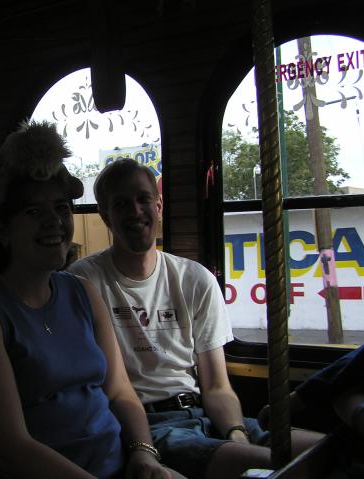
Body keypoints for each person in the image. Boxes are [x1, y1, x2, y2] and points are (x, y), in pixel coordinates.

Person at [0, 120, 182, 479]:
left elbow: (120, 393)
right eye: (34, 212)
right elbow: (6, 448)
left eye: (62, 208)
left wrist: (145, 456)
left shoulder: (82, 291)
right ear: (1, 227)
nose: (55, 222)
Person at [68, 158, 322, 479]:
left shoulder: (194, 279)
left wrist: (235, 432)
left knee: (329, 452)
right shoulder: (85, 281)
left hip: (203, 413)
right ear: (105, 215)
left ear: (159, 205)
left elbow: (216, 385)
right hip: (148, 427)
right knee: (285, 468)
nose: (135, 211)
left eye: (143, 199)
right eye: (121, 204)